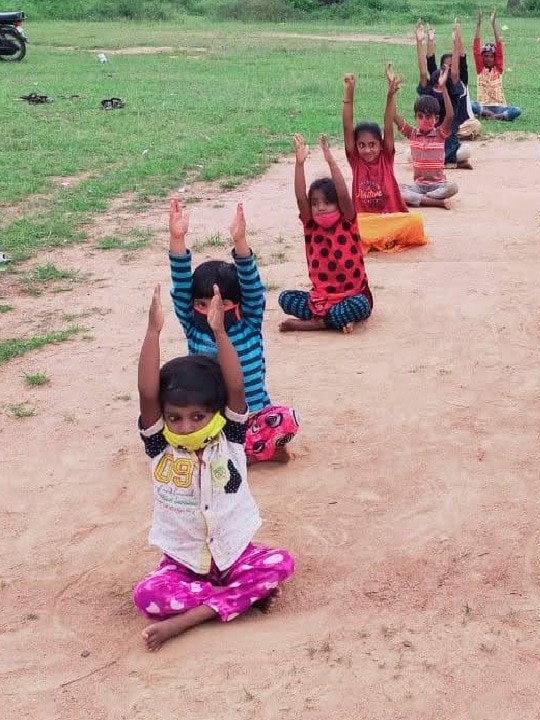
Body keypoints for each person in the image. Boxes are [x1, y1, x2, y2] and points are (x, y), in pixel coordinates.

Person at [133, 283, 295, 651]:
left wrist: (220, 332)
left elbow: (235, 385)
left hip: (236, 554)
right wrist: (153, 332)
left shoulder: (232, 436)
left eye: (197, 416)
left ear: (217, 414)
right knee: (147, 594)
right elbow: (147, 394)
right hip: (184, 562)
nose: (185, 426)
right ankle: (239, 599)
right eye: (175, 417)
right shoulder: (160, 446)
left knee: (280, 562)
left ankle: (194, 616)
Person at [167, 199, 299, 465]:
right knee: (170, 427)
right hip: (210, 420)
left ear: (236, 304)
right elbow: (181, 285)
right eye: (202, 305)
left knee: (284, 420)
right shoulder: (194, 327)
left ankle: (237, 454)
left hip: (251, 416)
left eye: (221, 303)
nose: (211, 310)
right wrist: (177, 238)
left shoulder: (248, 322)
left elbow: (251, 284)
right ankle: (242, 455)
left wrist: (241, 241)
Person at [279, 134, 374, 333]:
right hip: (321, 300)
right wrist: (299, 164)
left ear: (337, 203)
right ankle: (333, 320)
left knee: (359, 305)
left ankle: (317, 323)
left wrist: (330, 160)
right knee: (285, 298)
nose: (320, 207)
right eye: (315, 204)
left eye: (326, 202)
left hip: (352, 296)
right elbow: (300, 198)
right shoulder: (311, 226)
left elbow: (343, 194)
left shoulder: (347, 222)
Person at [341, 66, 428, 253]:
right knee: (351, 229)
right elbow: (347, 126)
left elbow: (388, 123)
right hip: (366, 222)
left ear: (381, 145)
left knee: (415, 222)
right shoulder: (356, 160)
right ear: (355, 147)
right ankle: (380, 240)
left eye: (372, 144)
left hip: (391, 218)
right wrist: (349, 93)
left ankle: (380, 240)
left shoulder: (386, 157)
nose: (367, 150)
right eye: (361, 145)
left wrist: (391, 94)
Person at [415, 19, 477, 168]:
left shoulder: (453, 92)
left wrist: (456, 42)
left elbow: (455, 72)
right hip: (430, 141)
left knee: (466, 150)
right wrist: (419, 42)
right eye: (437, 84)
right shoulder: (428, 92)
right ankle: (452, 163)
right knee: (410, 153)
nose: (439, 86)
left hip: (448, 142)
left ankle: (448, 161)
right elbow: (424, 71)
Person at [396, 77, 459, 209]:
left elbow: (450, 115)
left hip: (438, 186)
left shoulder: (440, 134)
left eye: (429, 116)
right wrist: (392, 93)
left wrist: (444, 89)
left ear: (436, 118)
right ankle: (436, 202)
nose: (424, 120)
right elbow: (394, 116)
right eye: (420, 116)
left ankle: (423, 200)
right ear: (415, 118)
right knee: (395, 189)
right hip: (418, 186)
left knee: (453, 187)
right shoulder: (412, 133)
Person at [471, 10, 521, 122]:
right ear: (482, 57)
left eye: (491, 56)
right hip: (483, 106)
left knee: (517, 110)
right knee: (470, 104)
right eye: (485, 56)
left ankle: (496, 116)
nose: (488, 59)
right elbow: (475, 48)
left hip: (499, 107)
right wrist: (479, 24)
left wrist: (493, 25)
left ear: (495, 58)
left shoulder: (498, 69)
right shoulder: (480, 69)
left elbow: (499, 47)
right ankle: (490, 115)